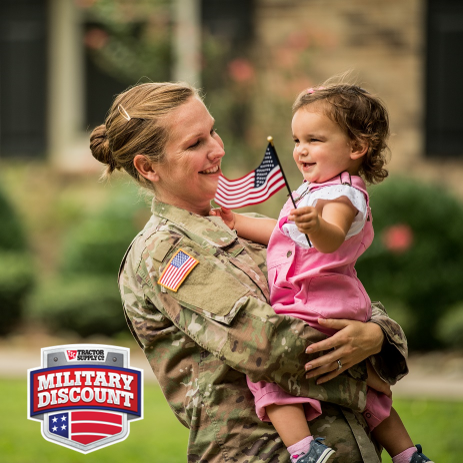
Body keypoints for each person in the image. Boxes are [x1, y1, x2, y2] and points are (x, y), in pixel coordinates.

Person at [89, 81, 410, 463]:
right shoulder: (165, 253)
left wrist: (377, 335)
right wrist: (365, 372)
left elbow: (344, 298)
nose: (218, 149)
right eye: (195, 143)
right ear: (147, 166)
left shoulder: (254, 228)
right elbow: (267, 344)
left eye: (213, 131)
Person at [212, 83, 434, 463]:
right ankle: (407, 454)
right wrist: (237, 222)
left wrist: (316, 225)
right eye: (297, 140)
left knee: (266, 373)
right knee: (370, 397)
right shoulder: (314, 191)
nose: (301, 150)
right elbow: (281, 233)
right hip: (332, 305)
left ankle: (304, 450)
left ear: (356, 147)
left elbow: (331, 238)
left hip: (315, 305)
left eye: (314, 140)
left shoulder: (344, 195)